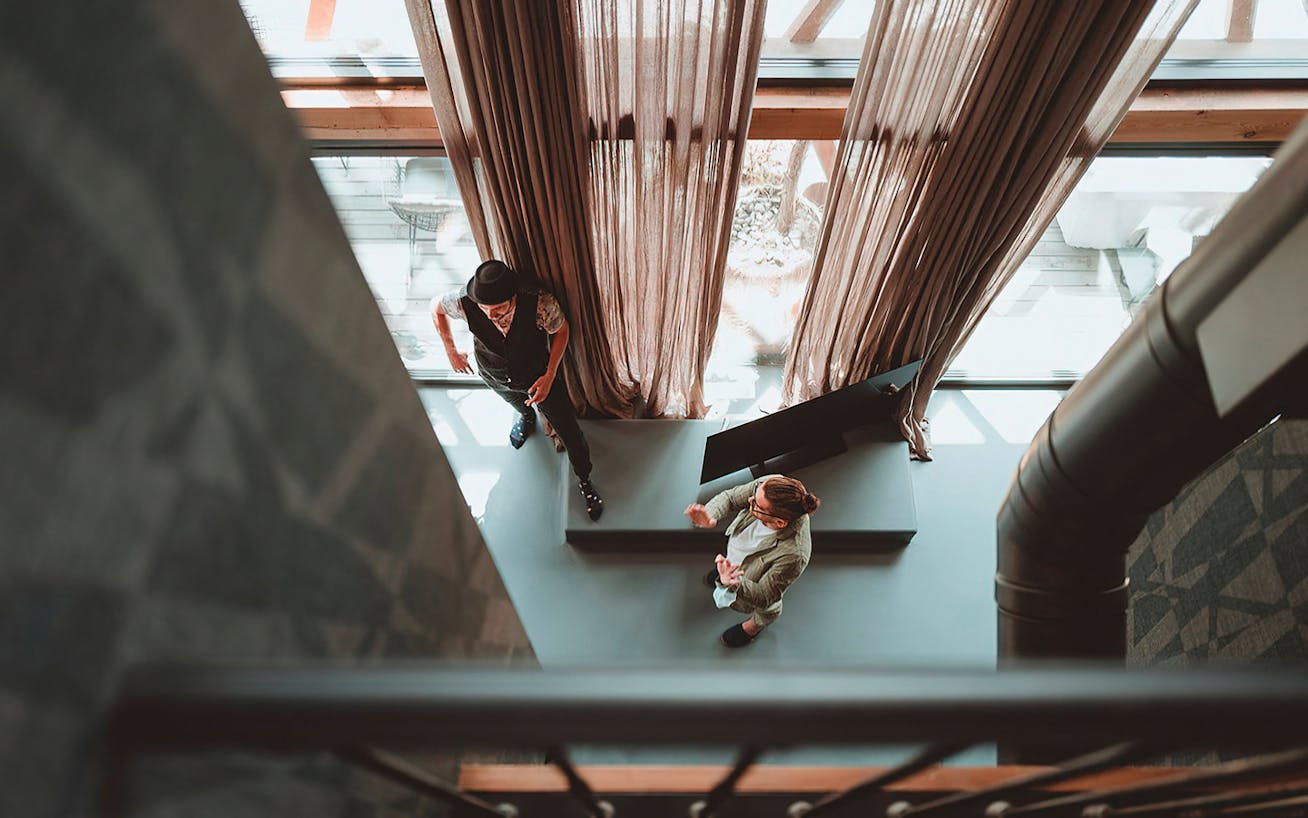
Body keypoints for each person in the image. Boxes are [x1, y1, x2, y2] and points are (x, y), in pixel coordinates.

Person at [433, 259, 603, 521]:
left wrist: (549, 375)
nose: (490, 314)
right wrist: (451, 350)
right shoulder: (464, 301)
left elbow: (562, 330)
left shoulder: (539, 302)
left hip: (538, 379)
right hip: (494, 375)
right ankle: (526, 418)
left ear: (512, 296)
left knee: (569, 430)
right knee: (515, 404)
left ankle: (584, 479)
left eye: (498, 308)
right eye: (484, 307)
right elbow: (436, 308)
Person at [684, 474, 819, 647]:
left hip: (754, 580)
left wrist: (734, 583)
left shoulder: (794, 555)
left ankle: (754, 627)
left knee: (769, 608)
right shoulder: (769, 486)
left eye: (756, 504)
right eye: (755, 493)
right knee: (727, 571)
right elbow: (731, 497)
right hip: (739, 558)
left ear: (779, 522)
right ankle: (725, 574)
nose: (749, 499)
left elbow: (765, 595)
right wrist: (710, 516)